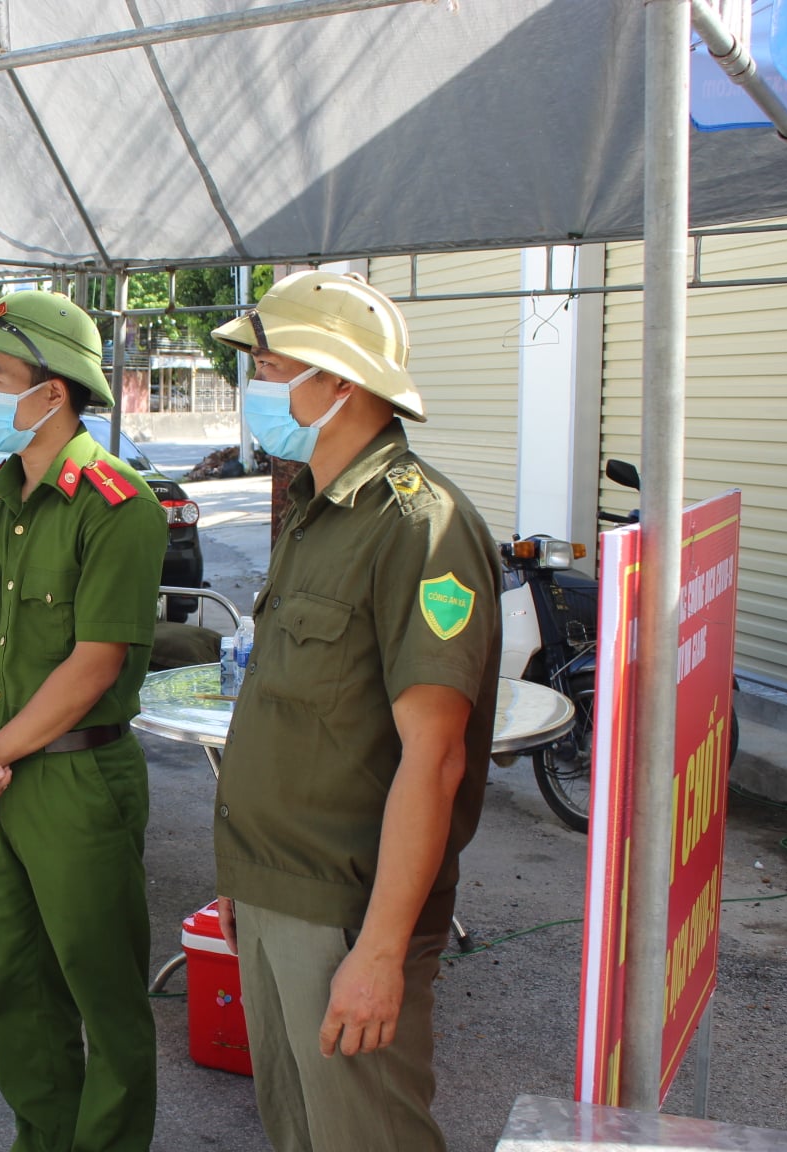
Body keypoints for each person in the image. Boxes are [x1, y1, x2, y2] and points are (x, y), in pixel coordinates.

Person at [208, 270, 502, 1152]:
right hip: (274, 890)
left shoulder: (418, 525)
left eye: (268, 366)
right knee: (297, 1134)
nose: (253, 388)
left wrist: (378, 952)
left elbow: (435, 760)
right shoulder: (314, 511)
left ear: (339, 382)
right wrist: (245, 882)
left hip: (345, 912)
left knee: (363, 1136)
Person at [0, 290, 167, 1152]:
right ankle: (42, 1137)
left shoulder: (117, 504)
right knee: (20, 989)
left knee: (102, 994)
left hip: (75, 779)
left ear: (54, 391)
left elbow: (95, 664)